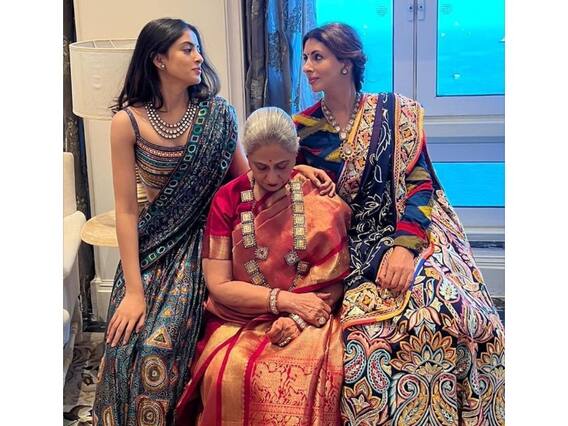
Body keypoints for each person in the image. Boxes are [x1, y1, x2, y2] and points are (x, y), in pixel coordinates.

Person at [92, 18, 335, 425]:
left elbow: (246, 178)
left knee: (158, 349)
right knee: (122, 345)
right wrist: (134, 290)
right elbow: (127, 211)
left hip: (204, 246)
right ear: (158, 59)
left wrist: (296, 172)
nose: (199, 57)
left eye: (198, 48)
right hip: (154, 246)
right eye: (187, 49)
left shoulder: (217, 114)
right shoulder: (127, 123)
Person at [293, 23, 505, 425]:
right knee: (366, 340)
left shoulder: (396, 112)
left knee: (448, 309)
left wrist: (405, 247)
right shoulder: (302, 128)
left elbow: (420, 184)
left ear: (346, 63)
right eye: (305, 58)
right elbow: (280, 185)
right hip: (349, 245)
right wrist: (299, 172)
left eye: (317, 57)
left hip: (408, 229)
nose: (306, 67)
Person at [175, 107, 351, 425]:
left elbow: (334, 279)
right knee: (226, 375)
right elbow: (219, 285)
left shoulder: (316, 193)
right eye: (261, 167)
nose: (272, 177)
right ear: (248, 157)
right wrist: (285, 301)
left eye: (282, 166)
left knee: (314, 374)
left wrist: (297, 318)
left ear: (295, 155)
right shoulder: (228, 199)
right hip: (239, 316)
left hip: (309, 316)